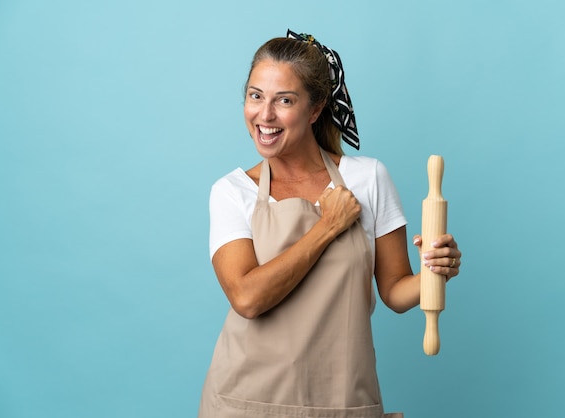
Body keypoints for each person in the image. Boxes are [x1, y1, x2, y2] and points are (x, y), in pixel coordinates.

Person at [198, 30, 462, 418]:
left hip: (342, 401)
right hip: (244, 403)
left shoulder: (368, 178)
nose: (264, 115)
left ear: (316, 107)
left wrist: (434, 273)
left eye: (284, 100)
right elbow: (247, 298)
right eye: (255, 96)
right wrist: (327, 227)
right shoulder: (232, 191)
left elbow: (394, 292)